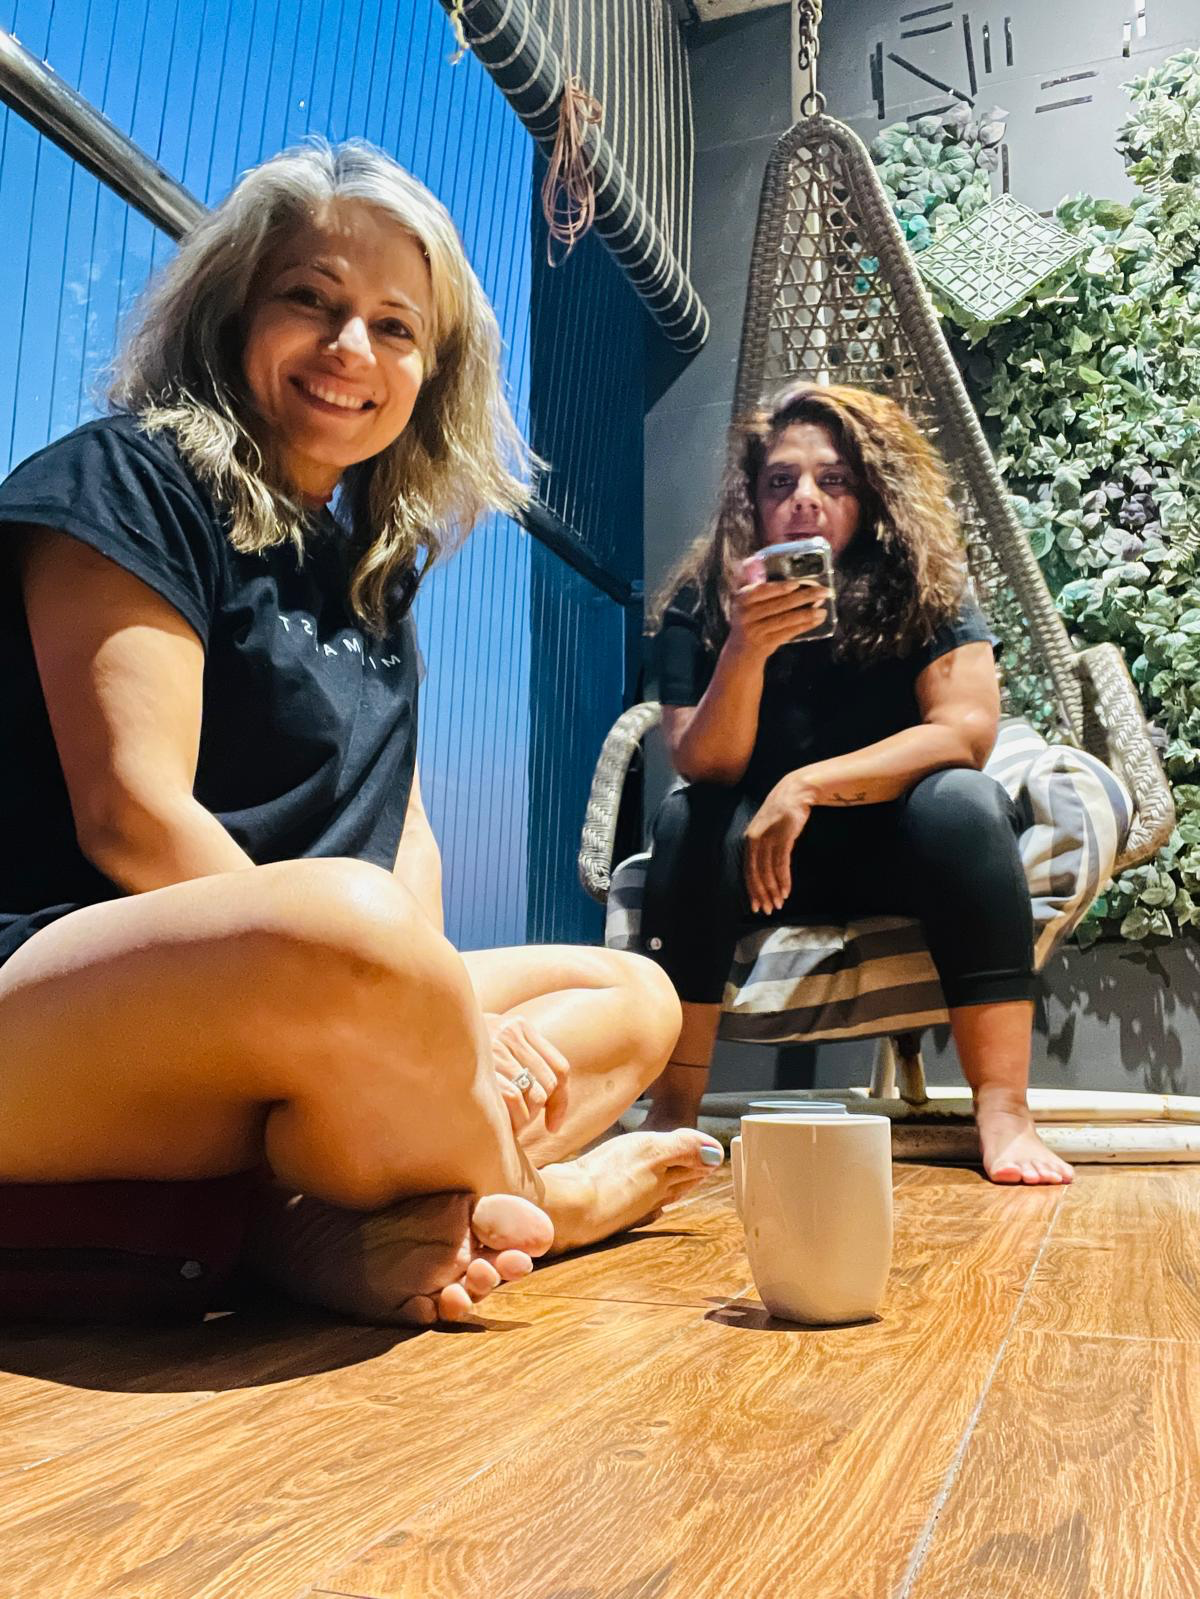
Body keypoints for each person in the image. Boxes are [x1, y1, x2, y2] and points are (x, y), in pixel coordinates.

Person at [0, 139, 723, 1328]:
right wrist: (423, 1010)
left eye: (396, 327)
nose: (352, 351)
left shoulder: (373, 574)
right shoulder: (129, 480)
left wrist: (429, 1015)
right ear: (235, 310)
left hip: (299, 1005)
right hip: (63, 999)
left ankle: (311, 1223)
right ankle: (547, 1195)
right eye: (313, 301)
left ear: (432, 372)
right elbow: (132, 817)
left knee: (635, 993)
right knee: (356, 920)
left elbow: (412, 845)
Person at [637, 381, 1074, 1186]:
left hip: (895, 847)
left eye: (831, 480)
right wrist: (744, 648)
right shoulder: (701, 601)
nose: (804, 499)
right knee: (687, 820)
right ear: (754, 502)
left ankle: (1005, 1112)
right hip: (763, 866)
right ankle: (672, 1115)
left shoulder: (925, 585)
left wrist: (805, 784)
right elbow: (701, 761)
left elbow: (966, 730)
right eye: (782, 482)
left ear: (869, 495)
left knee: (965, 803)